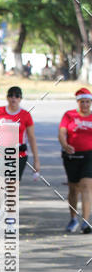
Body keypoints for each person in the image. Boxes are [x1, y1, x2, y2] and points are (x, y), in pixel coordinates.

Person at [58, 87, 92, 233]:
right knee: (73, 188)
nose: (85, 104)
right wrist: (65, 145)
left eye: (87, 102)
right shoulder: (69, 115)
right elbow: (62, 132)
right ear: (77, 102)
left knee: (86, 186)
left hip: (89, 156)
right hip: (71, 156)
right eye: (82, 101)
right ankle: (73, 218)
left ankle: (85, 221)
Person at [0, 86, 40, 181]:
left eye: (17, 96)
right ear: (7, 97)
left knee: (11, 186)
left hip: (19, 155)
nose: (13, 98)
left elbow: (31, 138)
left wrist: (36, 160)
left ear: (20, 98)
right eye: (11, 95)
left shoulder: (25, 115)